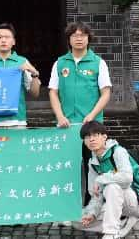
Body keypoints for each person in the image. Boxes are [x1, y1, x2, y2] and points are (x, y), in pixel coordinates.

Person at [48, 21, 112, 206]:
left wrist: (92, 115)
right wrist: (60, 116)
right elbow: (53, 91)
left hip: (91, 126)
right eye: (74, 35)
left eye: (83, 35)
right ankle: (68, 205)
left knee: (94, 165)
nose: (79, 38)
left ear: (88, 39)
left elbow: (106, 93)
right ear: (69, 39)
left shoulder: (98, 63)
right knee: (68, 167)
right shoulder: (60, 63)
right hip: (67, 126)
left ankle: (93, 204)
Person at [79, 121, 139, 239]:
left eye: (95, 135)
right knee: (78, 221)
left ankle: (111, 232)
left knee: (112, 187)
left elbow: (127, 178)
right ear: (84, 141)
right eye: (87, 137)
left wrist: (100, 179)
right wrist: (92, 214)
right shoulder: (92, 162)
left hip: (134, 201)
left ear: (104, 137)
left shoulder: (118, 151)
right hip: (112, 203)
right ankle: (121, 221)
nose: (91, 139)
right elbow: (96, 195)